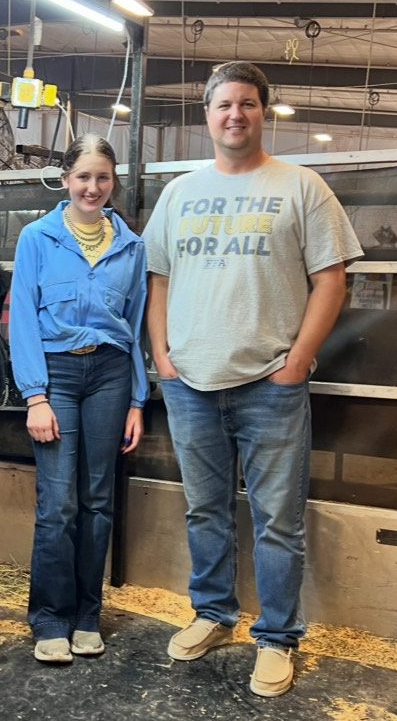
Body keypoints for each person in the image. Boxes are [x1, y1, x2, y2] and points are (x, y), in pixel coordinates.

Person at [142, 62, 363, 697]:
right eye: (222, 105)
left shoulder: (302, 187)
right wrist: (162, 354)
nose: (234, 114)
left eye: (247, 104)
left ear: (264, 112)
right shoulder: (181, 193)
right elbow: (159, 279)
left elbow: (331, 280)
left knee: (277, 520)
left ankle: (276, 637)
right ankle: (213, 614)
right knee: (206, 509)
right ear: (206, 116)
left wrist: (296, 364)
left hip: (271, 384)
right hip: (191, 385)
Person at [10, 134, 149, 664]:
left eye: (103, 178)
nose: (93, 187)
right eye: (84, 177)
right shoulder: (37, 238)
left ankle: (88, 615)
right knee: (59, 504)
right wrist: (35, 396)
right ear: (65, 179)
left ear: (114, 184)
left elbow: (133, 329)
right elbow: (22, 316)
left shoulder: (131, 247)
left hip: (111, 376)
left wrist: (137, 399)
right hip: (58, 375)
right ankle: (50, 617)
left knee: (97, 499)